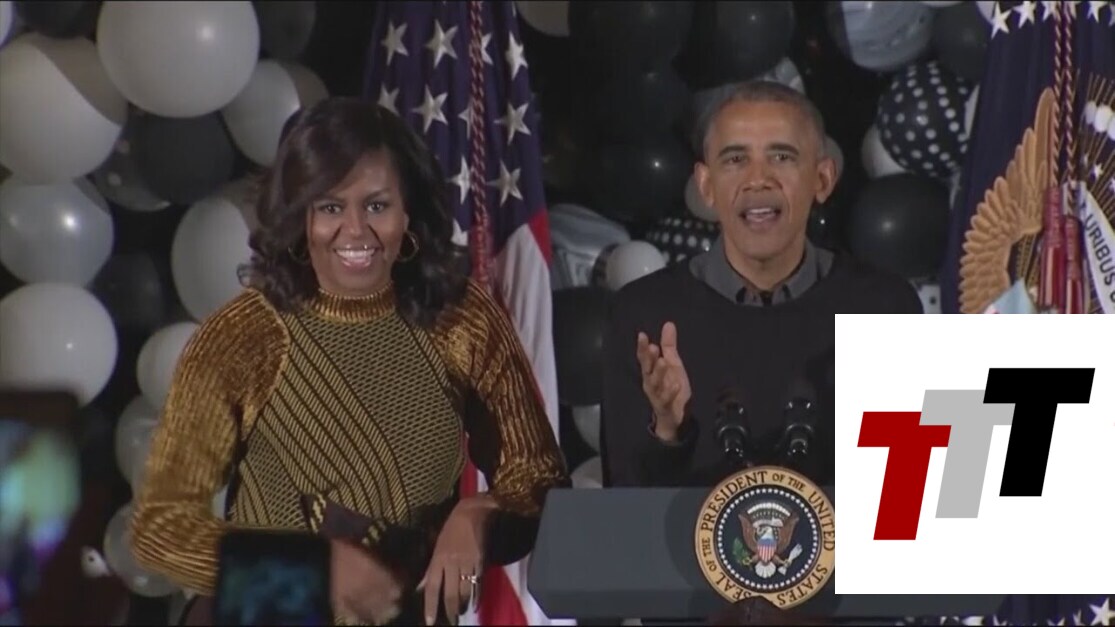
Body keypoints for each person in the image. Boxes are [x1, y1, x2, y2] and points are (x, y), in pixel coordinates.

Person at [130, 97, 568, 626]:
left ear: (409, 212)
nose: (355, 231)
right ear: (299, 217)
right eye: (330, 208)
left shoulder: (462, 319)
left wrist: (480, 514)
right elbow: (162, 529)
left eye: (376, 206)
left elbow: (540, 480)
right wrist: (311, 571)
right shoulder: (245, 334)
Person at [601, 79, 922, 492]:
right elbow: (621, 505)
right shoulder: (645, 316)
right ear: (706, 186)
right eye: (735, 159)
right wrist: (667, 429)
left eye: (782, 157)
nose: (758, 179)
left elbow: (910, 494)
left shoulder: (883, 309)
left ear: (822, 179)